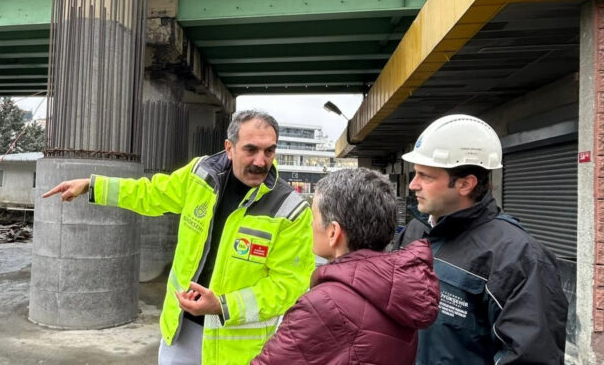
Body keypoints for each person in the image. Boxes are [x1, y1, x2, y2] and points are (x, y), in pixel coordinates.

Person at [43, 110, 315, 365]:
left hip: (238, 349)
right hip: (181, 332)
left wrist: (222, 306)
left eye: (269, 151)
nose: (261, 161)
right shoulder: (201, 175)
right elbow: (152, 194)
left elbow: (290, 286)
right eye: (251, 150)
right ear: (229, 148)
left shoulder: (289, 210)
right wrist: (93, 186)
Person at [395, 114, 568, 364]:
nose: (413, 185)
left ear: (465, 184)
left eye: (426, 176)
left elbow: (530, 358)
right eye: (415, 173)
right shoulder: (415, 232)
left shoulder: (518, 258)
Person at [253, 168, 440, 365]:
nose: (311, 225)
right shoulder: (400, 291)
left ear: (333, 232)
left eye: (314, 217)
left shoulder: (324, 305)